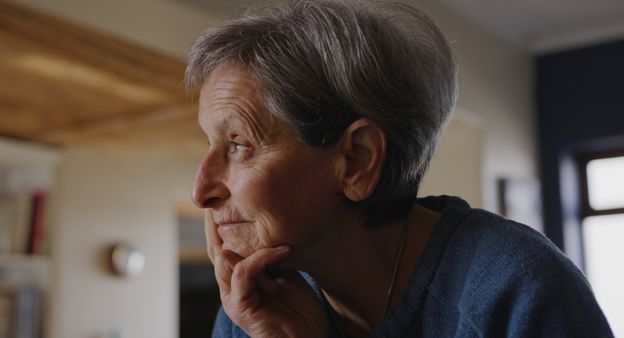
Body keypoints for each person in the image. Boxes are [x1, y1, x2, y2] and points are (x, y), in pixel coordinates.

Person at [185, 0, 614, 337]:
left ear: (357, 160)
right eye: (210, 144)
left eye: (239, 144)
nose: (201, 189)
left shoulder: (515, 290)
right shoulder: (254, 303)